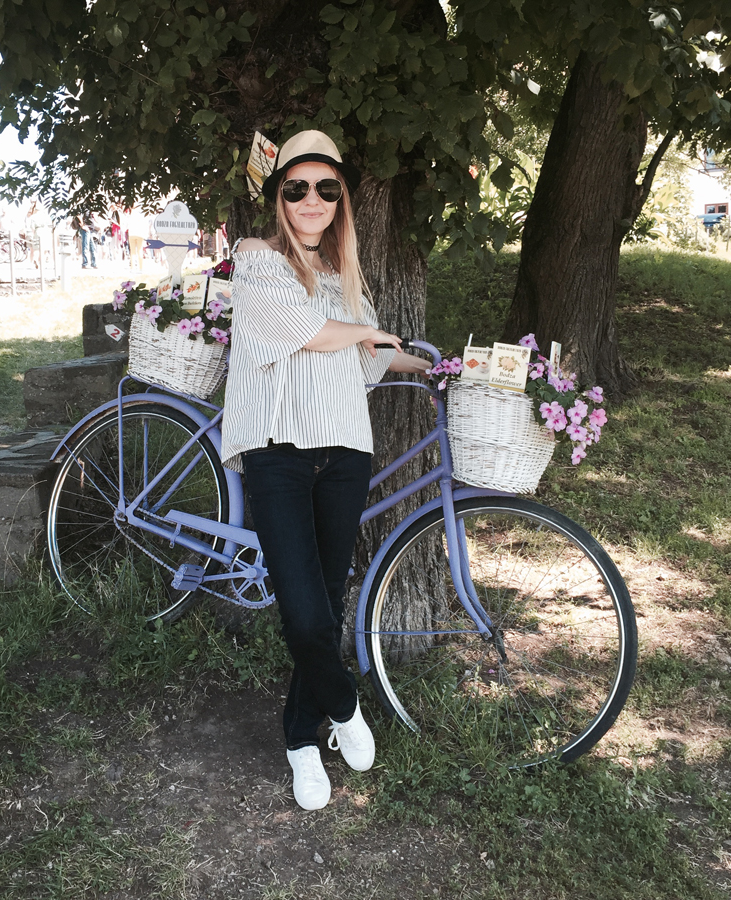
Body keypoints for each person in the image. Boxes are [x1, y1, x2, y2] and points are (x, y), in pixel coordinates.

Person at [220, 129, 430, 811]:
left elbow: (368, 353)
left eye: (326, 189)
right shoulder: (255, 261)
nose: (312, 199)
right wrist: (367, 334)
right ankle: (343, 704)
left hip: (344, 451)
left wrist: (435, 367)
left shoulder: (350, 283)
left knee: (328, 605)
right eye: (297, 188)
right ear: (279, 198)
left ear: (341, 200)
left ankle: (300, 743)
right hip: (277, 453)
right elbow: (309, 334)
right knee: (305, 614)